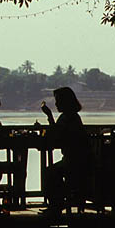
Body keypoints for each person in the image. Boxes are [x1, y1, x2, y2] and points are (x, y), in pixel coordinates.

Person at [40, 86, 89, 218]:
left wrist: (49, 116)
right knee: (52, 171)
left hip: (75, 160)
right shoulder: (70, 116)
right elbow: (58, 133)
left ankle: (56, 205)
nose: (56, 104)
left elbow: (56, 135)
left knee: (50, 173)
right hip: (74, 159)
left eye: (58, 100)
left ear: (65, 101)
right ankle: (58, 203)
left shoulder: (68, 117)